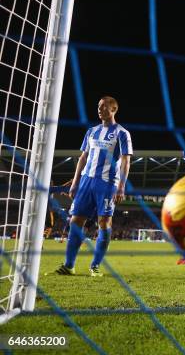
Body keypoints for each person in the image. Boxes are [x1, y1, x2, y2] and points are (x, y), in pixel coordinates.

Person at [55, 96, 132, 277]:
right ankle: (69, 265)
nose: (100, 109)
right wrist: (75, 183)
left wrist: (121, 187)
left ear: (113, 109)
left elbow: (126, 162)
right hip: (86, 181)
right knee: (75, 221)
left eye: (104, 107)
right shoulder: (91, 131)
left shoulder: (122, 133)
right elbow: (83, 158)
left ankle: (95, 266)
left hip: (107, 184)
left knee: (104, 222)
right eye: (98, 106)